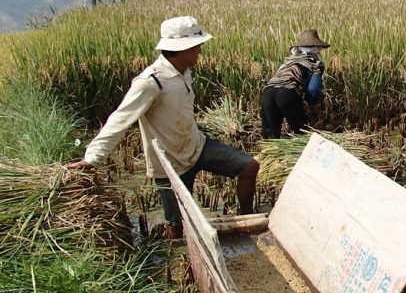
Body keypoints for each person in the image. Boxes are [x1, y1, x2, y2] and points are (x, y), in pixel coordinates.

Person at [67, 16, 260, 239]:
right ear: (183, 48)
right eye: (197, 46)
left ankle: (247, 222)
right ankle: (178, 256)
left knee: (249, 167)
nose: (200, 50)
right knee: (176, 225)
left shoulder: (185, 72)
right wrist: (93, 158)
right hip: (170, 163)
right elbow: (120, 119)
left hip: (197, 147)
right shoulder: (150, 82)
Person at [260, 29, 329, 139]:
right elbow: (313, 89)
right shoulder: (315, 64)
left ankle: (269, 155)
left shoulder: (288, 61)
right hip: (286, 94)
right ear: (317, 48)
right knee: (301, 134)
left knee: (270, 138)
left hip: (267, 93)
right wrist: (314, 104)